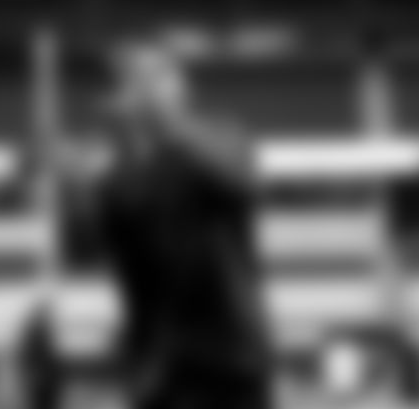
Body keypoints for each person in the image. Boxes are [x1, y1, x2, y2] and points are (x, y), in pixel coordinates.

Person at [54, 39, 274, 409]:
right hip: (160, 368)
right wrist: (76, 193)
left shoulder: (223, 136)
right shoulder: (118, 176)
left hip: (232, 359)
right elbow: (88, 249)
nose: (148, 89)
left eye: (158, 77)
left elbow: (240, 178)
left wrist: (164, 118)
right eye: (133, 81)